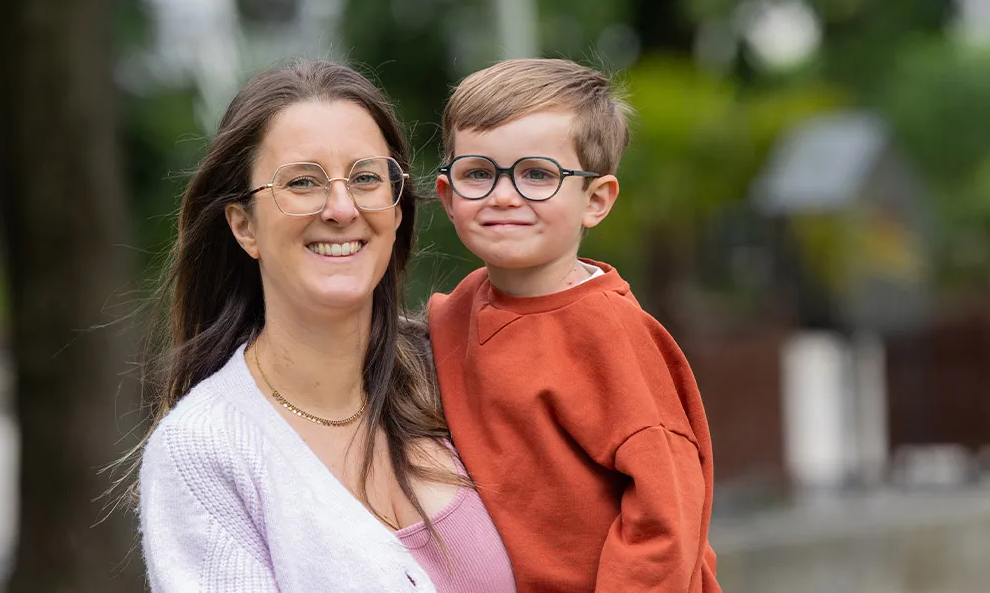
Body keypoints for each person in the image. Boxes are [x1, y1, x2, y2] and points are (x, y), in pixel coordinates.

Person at [136, 59, 516, 593]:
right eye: (302, 182)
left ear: (396, 210)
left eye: (365, 178)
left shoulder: (458, 376)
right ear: (244, 226)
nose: (341, 208)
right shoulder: (204, 452)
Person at [428, 57, 721, 592]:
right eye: (478, 173)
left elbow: (667, 517)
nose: (503, 195)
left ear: (596, 200)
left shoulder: (611, 333)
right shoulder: (458, 311)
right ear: (448, 197)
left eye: (537, 174)